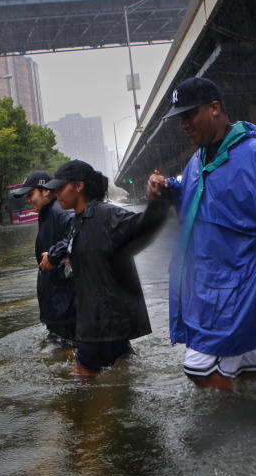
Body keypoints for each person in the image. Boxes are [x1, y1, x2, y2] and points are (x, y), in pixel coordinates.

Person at [147, 77, 256, 390]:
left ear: (214, 108)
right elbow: (196, 201)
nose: (183, 124)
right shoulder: (197, 160)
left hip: (235, 290)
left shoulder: (255, 156)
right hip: (210, 288)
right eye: (180, 118)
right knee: (247, 376)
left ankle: (231, 436)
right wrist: (168, 189)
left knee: (199, 369)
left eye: (189, 114)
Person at [43, 160, 167, 376]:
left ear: (79, 186)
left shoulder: (107, 215)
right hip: (96, 322)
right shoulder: (77, 222)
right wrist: (57, 255)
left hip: (103, 324)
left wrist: (156, 199)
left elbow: (143, 224)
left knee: (80, 384)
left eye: (61, 188)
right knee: (121, 373)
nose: (57, 194)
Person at [12, 171, 76, 347]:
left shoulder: (60, 212)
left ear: (46, 191)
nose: (28, 200)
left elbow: (78, 234)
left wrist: (55, 255)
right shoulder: (48, 213)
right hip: (57, 307)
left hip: (65, 309)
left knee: (66, 358)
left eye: (30, 194)